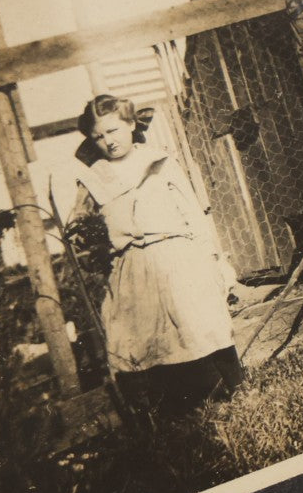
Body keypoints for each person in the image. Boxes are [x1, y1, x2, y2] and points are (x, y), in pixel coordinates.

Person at [67, 95, 243, 421]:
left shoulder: (159, 161)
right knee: (141, 335)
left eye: (114, 130)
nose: (109, 141)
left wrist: (214, 259)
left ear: (132, 125)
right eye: (99, 136)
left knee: (200, 322)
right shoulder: (95, 177)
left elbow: (192, 210)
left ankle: (234, 395)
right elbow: (79, 226)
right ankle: (175, 414)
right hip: (131, 264)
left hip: (177, 254)